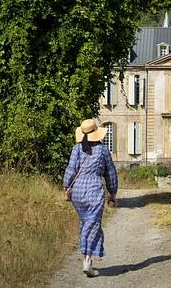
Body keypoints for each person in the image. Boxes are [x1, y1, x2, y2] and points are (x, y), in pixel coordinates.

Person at [63, 118, 118, 277]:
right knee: (92, 224)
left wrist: (67, 187)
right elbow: (110, 174)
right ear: (96, 133)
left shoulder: (76, 149)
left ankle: (88, 260)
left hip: (78, 193)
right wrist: (112, 193)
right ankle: (87, 260)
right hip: (94, 191)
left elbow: (70, 170)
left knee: (87, 223)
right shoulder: (102, 150)